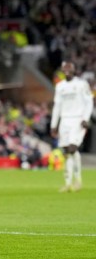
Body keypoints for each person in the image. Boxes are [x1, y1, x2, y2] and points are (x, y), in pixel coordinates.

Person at [50, 61, 93, 192]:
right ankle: (68, 183)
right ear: (62, 70)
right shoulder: (60, 87)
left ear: (74, 70)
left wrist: (86, 118)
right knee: (66, 152)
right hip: (64, 121)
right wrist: (53, 125)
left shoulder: (81, 84)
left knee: (73, 148)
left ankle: (78, 181)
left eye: (69, 68)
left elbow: (89, 101)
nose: (67, 70)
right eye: (65, 68)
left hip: (78, 120)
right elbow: (57, 106)